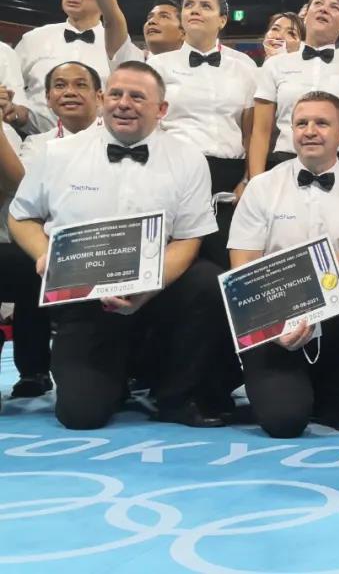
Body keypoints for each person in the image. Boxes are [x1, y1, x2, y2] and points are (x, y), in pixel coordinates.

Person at [8, 61, 227, 429]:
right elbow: (21, 217)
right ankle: (116, 377)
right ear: (101, 99)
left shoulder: (188, 159)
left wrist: (148, 289)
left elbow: (189, 238)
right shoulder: (58, 153)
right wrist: (45, 254)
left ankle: (176, 397)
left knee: (207, 281)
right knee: (81, 415)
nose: (124, 103)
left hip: (156, 294)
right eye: (116, 94)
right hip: (84, 298)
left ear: (161, 109)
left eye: (137, 97)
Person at [228, 91, 339, 437]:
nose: (310, 131)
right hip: (274, 320)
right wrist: (275, 328)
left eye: (322, 123)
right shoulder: (262, 187)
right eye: (301, 123)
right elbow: (242, 271)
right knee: (284, 422)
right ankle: (289, 389)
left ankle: (336, 393)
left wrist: (316, 263)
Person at [0, 61, 104, 400]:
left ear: (100, 96)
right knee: (32, 265)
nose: (69, 92)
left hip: (107, 248)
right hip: (49, 246)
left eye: (80, 84)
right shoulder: (36, 144)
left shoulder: (120, 139)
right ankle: (34, 371)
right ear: (47, 97)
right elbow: (25, 195)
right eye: (60, 85)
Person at [146, 0, 258, 269]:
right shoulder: (158, 65)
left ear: (222, 20)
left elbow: (251, 131)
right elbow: (149, 128)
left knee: (226, 263)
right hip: (174, 172)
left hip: (229, 176)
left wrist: (248, 179)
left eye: (205, 6)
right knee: (168, 261)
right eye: (189, 5)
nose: (195, 10)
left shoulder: (245, 65)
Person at [13, 0, 141, 134]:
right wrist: (18, 114)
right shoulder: (34, 39)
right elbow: (12, 87)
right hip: (36, 141)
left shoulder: (119, 46)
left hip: (99, 143)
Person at [249, 0, 339, 177]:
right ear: (305, 16)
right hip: (286, 161)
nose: (324, 9)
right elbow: (261, 131)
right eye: (318, 4)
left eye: (334, 7)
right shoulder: (275, 65)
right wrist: (254, 181)